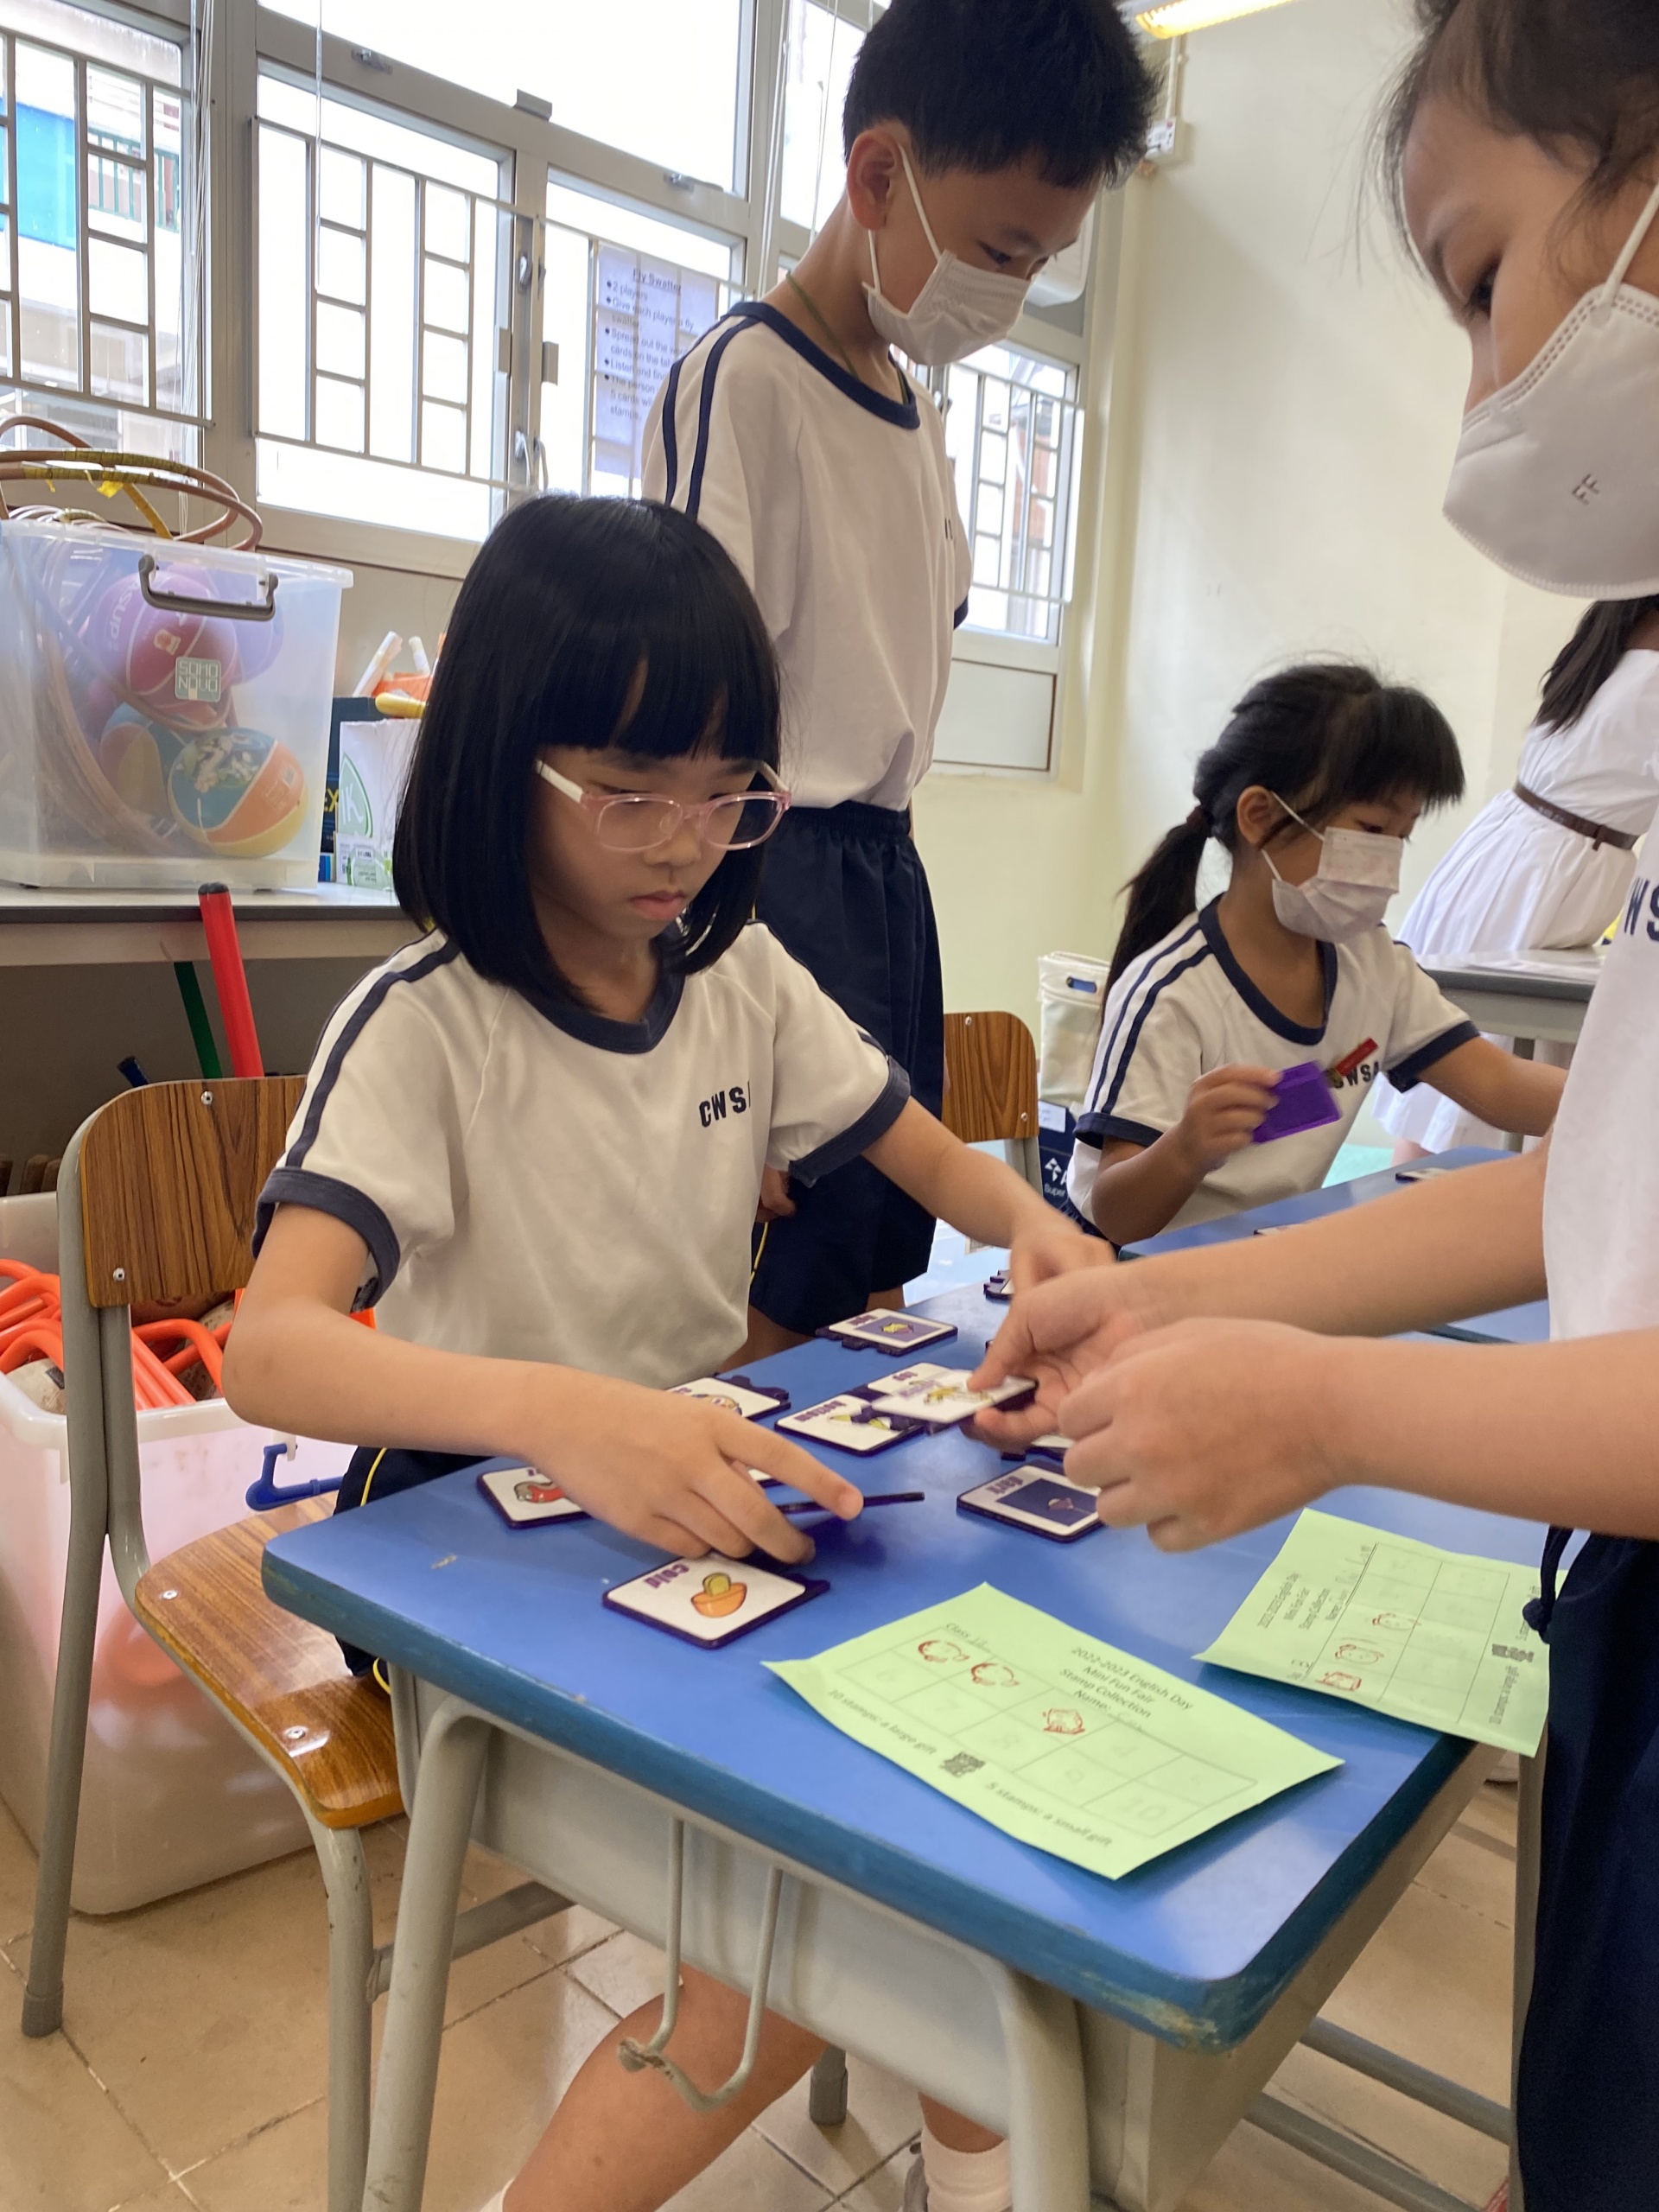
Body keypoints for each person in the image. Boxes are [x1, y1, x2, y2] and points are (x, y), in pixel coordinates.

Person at [970, 6, 1659, 2208]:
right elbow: (1595, 1181)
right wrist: (1192, 1294)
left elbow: (1519, 1122)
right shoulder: (1173, 989)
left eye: (1481, 280)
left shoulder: (1379, 969)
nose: (1479, 393)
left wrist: (1325, 1398)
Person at [222, 494, 1096, 2212]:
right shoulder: (425, 1025)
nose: (686, 841)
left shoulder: (740, 979)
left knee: (960, 1802)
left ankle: (975, 2162)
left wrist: (1040, 1231)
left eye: (728, 791)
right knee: (800, 1934)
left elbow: (926, 1151)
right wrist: (566, 1411)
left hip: (683, 1495)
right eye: (631, 790)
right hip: (464, 1543)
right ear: (500, 764)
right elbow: (272, 1351)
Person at [643, 0, 1156, 1365]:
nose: (1011, 293)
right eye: (999, 250)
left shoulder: (920, 414)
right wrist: (686, 1003)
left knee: (874, 1250)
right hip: (760, 868)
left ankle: (837, 1471)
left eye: (1041, 262)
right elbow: (678, 716)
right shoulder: (744, 380)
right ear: (879, 175)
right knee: (765, 1271)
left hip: (884, 872)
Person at [1069, 663, 1564, 1246]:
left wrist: (1628, 1099)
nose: (1389, 862)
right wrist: (1185, 1149)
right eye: (1372, 829)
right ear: (1260, 817)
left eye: (1401, 836)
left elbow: (1498, 1085)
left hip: (1267, 1256)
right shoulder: (1171, 993)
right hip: (1138, 1270)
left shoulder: (1373, 965)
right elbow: (1117, 1218)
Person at [1375, 594, 1659, 1154]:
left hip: (1520, 852)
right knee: (1471, 1072)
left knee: (1458, 1078)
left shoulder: (1611, 629)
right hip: (1544, 872)